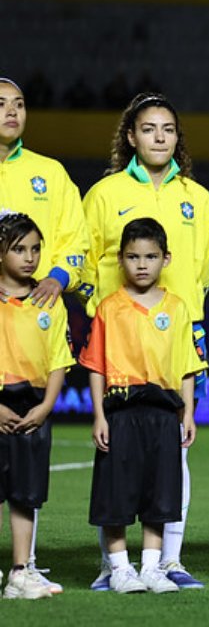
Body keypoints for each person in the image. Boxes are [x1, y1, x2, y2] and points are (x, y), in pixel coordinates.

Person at [81, 93, 209, 590]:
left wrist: (182, 312)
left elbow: (201, 268)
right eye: (148, 128)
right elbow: (85, 253)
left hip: (175, 340)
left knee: (174, 452)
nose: (159, 137)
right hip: (119, 341)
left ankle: (167, 561)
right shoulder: (105, 194)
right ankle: (112, 565)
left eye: (167, 129)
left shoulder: (197, 197)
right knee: (115, 456)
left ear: (178, 138)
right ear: (131, 137)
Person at [80, 218, 207, 594]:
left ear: (165, 259)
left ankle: (152, 567)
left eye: (150, 256)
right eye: (133, 256)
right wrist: (99, 416)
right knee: (116, 494)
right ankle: (119, 568)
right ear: (120, 259)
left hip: (164, 414)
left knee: (159, 493)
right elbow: (96, 367)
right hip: (120, 412)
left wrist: (189, 414)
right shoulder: (109, 308)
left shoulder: (178, 308)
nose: (141, 264)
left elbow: (187, 366)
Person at [0, 76, 87, 593]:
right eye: (0, 105)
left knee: (26, 484)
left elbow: (75, 243)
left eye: (19, 104)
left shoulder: (50, 175)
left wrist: (57, 276)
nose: (11, 112)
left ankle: (21, 568)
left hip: (31, 330)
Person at [0, 212, 72, 600]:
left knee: (25, 495)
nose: (29, 257)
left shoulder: (49, 302)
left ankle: (20, 572)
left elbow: (59, 358)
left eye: (35, 249)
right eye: (18, 249)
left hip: (33, 409)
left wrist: (45, 407)